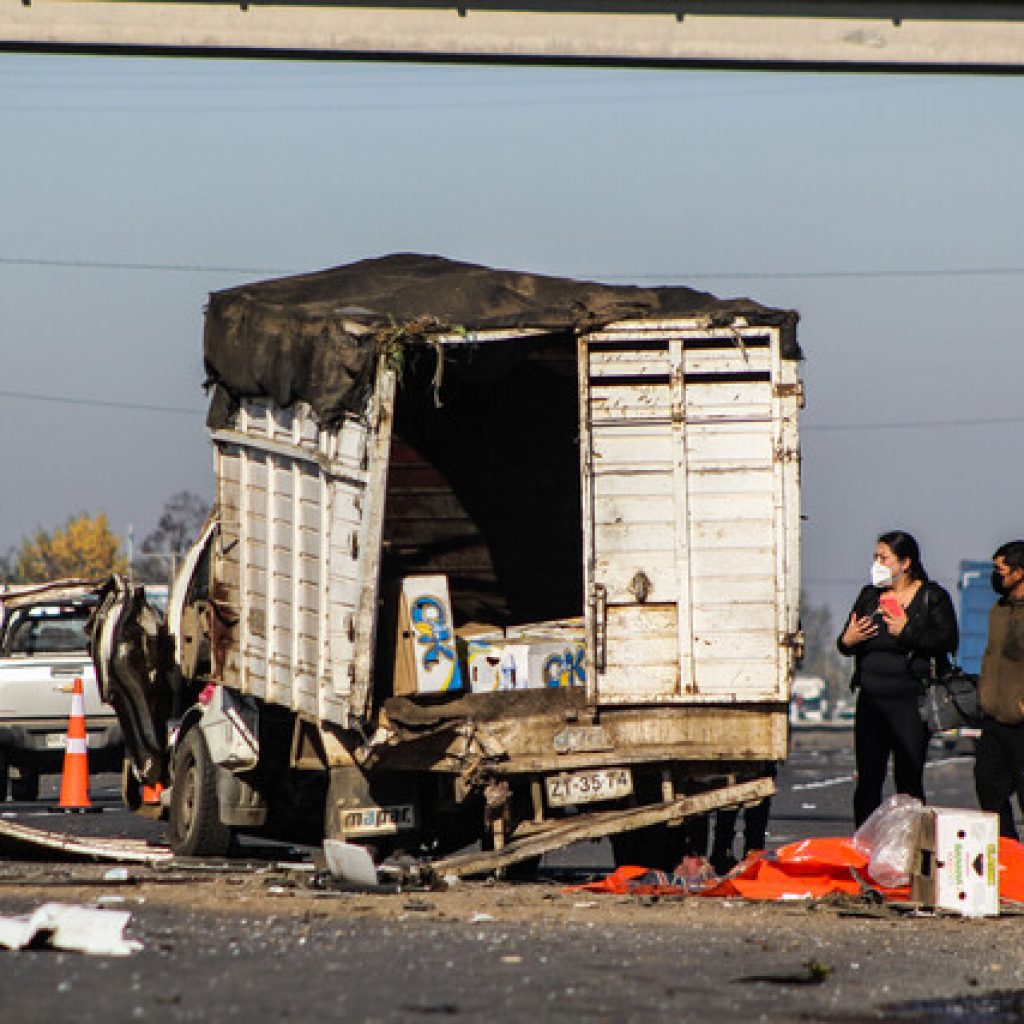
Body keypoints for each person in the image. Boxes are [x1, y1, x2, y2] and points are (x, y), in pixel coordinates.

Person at [837, 530, 958, 827]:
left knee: (908, 778)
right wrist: (848, 640)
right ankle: (865, 846)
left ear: (905, 563)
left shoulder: (931, 596)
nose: (877, 563)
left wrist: (907, 631)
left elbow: (946, 640)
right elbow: (845, 642)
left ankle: (909, 846)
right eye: (875, 557)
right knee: (868, 779)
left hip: (909, 702)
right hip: (872, 701)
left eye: (883, 557)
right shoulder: (870, 596)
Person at [974, 540, 1024, 839]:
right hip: (993, 716)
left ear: (1019, 572)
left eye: (1001, 569)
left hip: (1020, 718)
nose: (996, 576)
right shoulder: (999, 609)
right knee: (988, 787)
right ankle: (1009, 856)